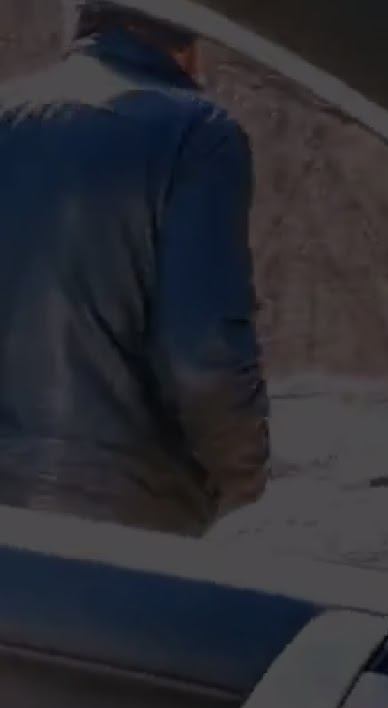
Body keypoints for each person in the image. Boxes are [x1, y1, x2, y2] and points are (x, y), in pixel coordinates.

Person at [0, 1, 270, 536]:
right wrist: (245, 478)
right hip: (125, 504)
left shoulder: (9, 115)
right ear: (191, 37)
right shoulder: (196, 132)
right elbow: (202, 356)